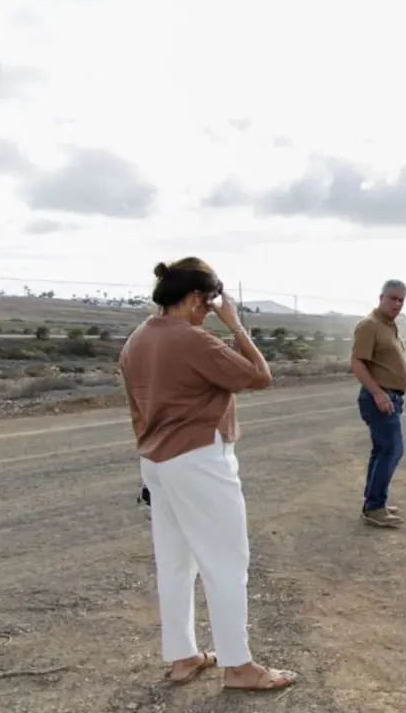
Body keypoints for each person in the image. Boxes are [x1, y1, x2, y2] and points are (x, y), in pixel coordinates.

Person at [119, 257, 297, 692]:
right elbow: (259, 376)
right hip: (198, 459)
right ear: (196, 298)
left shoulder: (137, 339)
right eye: (209, 302)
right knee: (226, 562)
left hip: (157, 461)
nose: (210, 310)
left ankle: (183, 656)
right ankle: (238, 666)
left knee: (176, 562)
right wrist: (235, 326)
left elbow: (137, 408)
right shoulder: (192, 340)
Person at [349, 279, 406, 527]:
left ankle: (374, 504)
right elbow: (357, 363)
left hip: (391, 397)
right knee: (392, 450)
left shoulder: (389, 326)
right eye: (392, 298)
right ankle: (374, 506)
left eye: (401, 300)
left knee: (382, 450)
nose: (396, 303)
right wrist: (377, 393)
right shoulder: (369, 325)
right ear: (381, 298)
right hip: (380, 398)